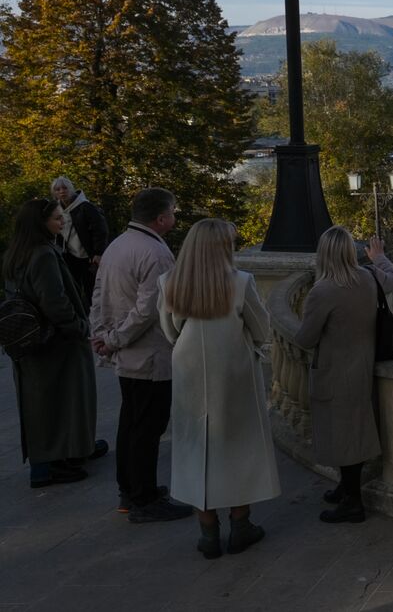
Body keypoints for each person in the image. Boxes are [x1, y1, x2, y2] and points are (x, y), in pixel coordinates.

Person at [158, 219, 280, 559]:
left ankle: (207, 532)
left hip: (189, 369)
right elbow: (261, 328)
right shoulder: (240, 282)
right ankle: (241, 524)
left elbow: (170, 331)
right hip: (233, 369)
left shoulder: (169, 282)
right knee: (238, 443)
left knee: (195, 445)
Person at [91, 187, 190, 523]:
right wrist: (114, 339)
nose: (174, 219)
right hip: (148, 354)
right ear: (161, 218)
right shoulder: (156, 253)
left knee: (131, 422)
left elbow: (98, 294)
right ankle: (144, 498)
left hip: (125, 353)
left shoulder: (117, 245)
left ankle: (129, 489)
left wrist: (101, 335)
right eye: (173, 213)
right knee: (148, 427)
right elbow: (149, 310)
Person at [294, 227, 393, 524]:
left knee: (344, 436)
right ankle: (346, 488)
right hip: (364, 366)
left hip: (335, 370)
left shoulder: (323, 290)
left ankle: (354, 502)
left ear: (324, 254)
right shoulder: (368, 277)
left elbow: (305, 338)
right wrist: (380, 257)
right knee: (354, 431)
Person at [4, 198, 99, 488]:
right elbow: (55, 302)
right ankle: (56, 463)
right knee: (65, 399)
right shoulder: (44, 254)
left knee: (38, 400)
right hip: (55, 341)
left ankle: (55, 459)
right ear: (40, 223)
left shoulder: (14, 253)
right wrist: (79, 327)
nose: (63, 222)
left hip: (27, 339)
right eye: (57, 218)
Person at [51, 176, 108, 309]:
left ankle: (96, 320)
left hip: (88, 257)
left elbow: (100, 230)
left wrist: (98, 253)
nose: (61, 192)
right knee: (72, 290)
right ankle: (79, 320)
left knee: (92, 291)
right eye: (57, 189)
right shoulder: (56, 210)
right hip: (69, 255)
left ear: (71, 188)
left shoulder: (85, 207)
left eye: (64, 188)